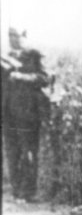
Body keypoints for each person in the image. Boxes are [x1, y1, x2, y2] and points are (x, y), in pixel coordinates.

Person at [2, 27, 51, 202]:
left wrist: (21, 76)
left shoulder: (34, 55)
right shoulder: (6, 57)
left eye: (16, 36)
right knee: (12, 153)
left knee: (28, 152)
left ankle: (28, 192)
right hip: (8, 114)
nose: (13, 39)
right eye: (10, 36)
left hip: (28, 114)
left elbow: (45, 78)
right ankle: (17, 191)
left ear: (25, 37)